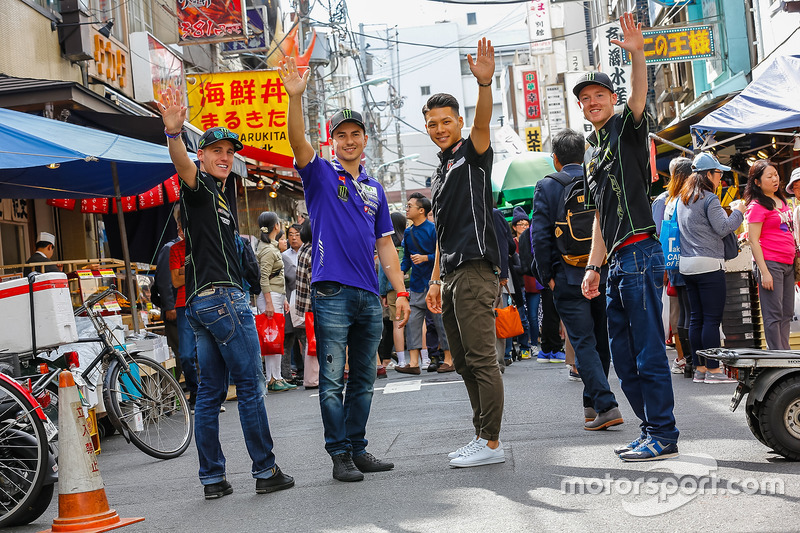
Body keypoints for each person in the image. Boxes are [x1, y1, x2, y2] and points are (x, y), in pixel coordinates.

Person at [158, 89, 294, 499]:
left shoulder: (220, 196)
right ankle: (265, 470)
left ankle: (212, 479)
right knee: (251, 385)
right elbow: (181, 164)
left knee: (210, 395)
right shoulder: (198, 188)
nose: (223, 156)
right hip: (220, 301)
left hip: (202, 306)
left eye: (228, 151)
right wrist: (173, 132)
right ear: (202, 156)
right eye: (215, 150)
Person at [281, 56, 409, 483]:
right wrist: (294, 97)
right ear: (332, 141)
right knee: (333, 378)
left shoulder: (373, 187)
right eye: (342, 135)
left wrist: (401, 291)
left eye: (356, 134)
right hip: (332, 291)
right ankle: (338, 455)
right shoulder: (319, 174)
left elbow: (385, 245)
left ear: (365, 139)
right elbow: (297, 141)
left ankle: (358, 448)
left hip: (369, 295)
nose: (349, 140)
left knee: (365, 379)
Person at [578, 12, 679, 461]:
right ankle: (648, 429)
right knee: (621, 357)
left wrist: (637, 52)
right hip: (616, 261)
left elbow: (639, 96)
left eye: (599, 94)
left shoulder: (626, 128)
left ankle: (664, 433)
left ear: (611, 98)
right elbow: (601, 213)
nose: (592, 101)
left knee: (648, 352)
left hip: (641, 252)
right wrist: (593, 265)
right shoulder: (591, 151)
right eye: (585, 97)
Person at [424, 38, 506, 469]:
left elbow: (482, 126)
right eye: (432, 124)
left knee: (481, 359)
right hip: (453, 273)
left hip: (476, 269)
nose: (439, 128)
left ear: (458, 122)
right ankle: (481, 435)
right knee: (463, 364)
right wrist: (436, 279)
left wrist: (485, 86)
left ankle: (491, 443)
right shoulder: (439, 170)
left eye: (445, 121)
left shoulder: (472, 155)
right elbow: (441, 232)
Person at [532, 128, 623, 429]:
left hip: (568, 274)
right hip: (601, 269)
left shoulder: (547, 186)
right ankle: (592, 404)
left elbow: (540, 236)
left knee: (582, 341)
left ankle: (607, 405)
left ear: (555, 159)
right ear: (583, 153)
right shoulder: (595, 178)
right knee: (599, 339)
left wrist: (548, 277)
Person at [677, 153, 743, 384]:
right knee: (712, 320)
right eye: (718, 173)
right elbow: (724, 227)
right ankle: (715, 371)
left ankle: (700, 369)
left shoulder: (682, 199)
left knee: (697, 319)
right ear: (708, 175)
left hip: (686, 265)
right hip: (708, 264)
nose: (720, 177)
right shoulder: (709, 199)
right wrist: (739, 210)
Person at [397, 194, 454, 374]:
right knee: (413, 322)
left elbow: (441, 255)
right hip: (415, 285)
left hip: (434, 284)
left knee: (440, 322)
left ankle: (449, 359)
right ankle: (413, 363)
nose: (406, 209)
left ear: (421, 210)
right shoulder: (408, 231)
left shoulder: (433, 229)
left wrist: (425, 258)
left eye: (409, 206)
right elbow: (406, 258)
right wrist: (400, 271)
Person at [745, 159, 796, 350]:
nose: (775, 179)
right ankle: (778, 356)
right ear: (757, 182)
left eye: (776, 175)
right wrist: (764, 271)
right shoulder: (757, 206)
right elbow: (753, 239)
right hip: (770, 263)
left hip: (788, 263)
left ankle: (785, 353)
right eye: (770, 176)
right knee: (773, 314)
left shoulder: (781, 200)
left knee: (786, 312)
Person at [654, 157, 694, 377]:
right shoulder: (667, 200)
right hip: (676, 264)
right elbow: (659, 233)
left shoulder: (672, 200)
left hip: (675, 261)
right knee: (683, 313)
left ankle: (687, 359)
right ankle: (683, 358)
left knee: (684, 313)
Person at [256, 211, 296, 392]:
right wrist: (270, 302)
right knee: (271, 338)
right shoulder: (267, 249)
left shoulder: (270, 247)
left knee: (275, 338)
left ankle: (277, 376)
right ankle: (273, 378)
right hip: (270, 297)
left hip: (276, 296)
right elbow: (263, 278)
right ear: (276, 226)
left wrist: (284, 299)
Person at [166, 205, 200, 410]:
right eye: (180, 228)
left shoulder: (201, 244)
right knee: (186, 355)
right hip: (182, 304)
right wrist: (192, 268)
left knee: (206, 353)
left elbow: (185, 275)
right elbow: (176, 281)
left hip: (204, 300)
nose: (182, 231)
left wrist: (182, 269)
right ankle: (195, 391)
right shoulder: (174, 249)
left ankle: (207, 394)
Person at [293, 219, 318, 389]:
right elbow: (313, 279)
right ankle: (314, 379)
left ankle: (311, 378)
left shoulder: (303, 249)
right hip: (314, 301)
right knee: (316, 340)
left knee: (312, 340)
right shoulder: (313, 250)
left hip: (305, 302)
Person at [283, 223, 304, 381]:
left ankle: (307, 370)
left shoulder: (308, 251)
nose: (293, 237)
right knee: (290, 337)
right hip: (289, 300)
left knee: (305, 336)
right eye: (290, 234)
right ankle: (293, 371)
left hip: (304, 299)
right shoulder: (285, 256)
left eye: (296, 234)